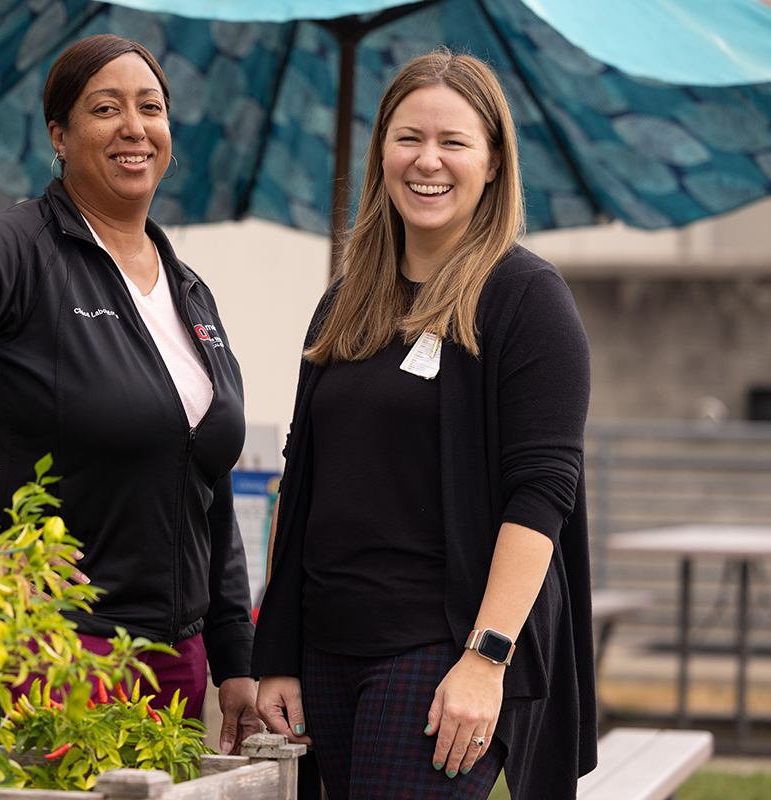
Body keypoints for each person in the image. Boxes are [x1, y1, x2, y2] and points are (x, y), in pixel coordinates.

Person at [0, 34, 261, 754]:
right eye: (106, 108)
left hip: (176, 664)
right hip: (54, 651)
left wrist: (234, 657)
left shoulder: (189, 288)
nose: (134, 127)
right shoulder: (16, 250)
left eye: (151, 108)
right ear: (59, 137)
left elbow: (205, 480)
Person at [251, 48, 596, 799]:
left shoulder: (526, 299)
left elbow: (541, 494)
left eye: (453, 142)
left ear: (495, 162)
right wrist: (274, 652)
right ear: (380, 151)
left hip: (439, 652)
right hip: (325, 654)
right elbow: (300, 483)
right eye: (408, 137)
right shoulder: (346, 301)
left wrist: (486, 657)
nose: (426, 161)